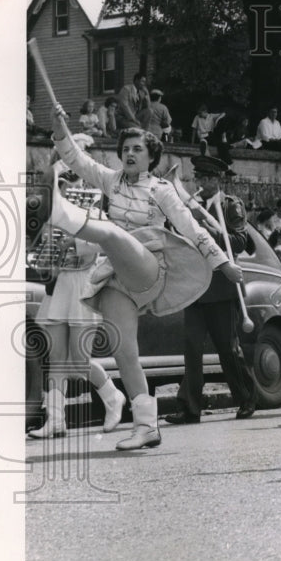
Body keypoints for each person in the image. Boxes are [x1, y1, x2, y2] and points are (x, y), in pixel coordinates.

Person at [48, 106, 241, 450]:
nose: (130, 154)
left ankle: (65, 214)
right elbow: (76, 161)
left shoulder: (161, 189)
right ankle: (146, 425)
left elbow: (190, 227)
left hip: (149, 262)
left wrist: (222, 262)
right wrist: (59, 126)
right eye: (125, 149)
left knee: (111, 234)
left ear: (152, 157)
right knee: (124, 351)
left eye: (138, 149)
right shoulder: (111, 180)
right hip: (114, 275)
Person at [27, 138, 126, 438]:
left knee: (79, 360)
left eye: (75, 159)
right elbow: (41, 229)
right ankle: (56, 420)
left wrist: (74, 242)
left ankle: (113, 396)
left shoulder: (95, 196)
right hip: (59, 282)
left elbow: (104, 238)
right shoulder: (55, 194)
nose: (70, 166)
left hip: (84, 281)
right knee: (55, 358)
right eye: (64, 159)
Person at [165, 153, 258, 424]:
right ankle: (190, 407)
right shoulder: (189, 205)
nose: (202, 183)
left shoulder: (231, 206)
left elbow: (240, 242)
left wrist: (213, 231)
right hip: (195, 285)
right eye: (199, 177)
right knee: (191, 347)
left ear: (218, 180)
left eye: (207, 178)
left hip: (220, 288)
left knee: (227, 349)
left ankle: (246, 398)